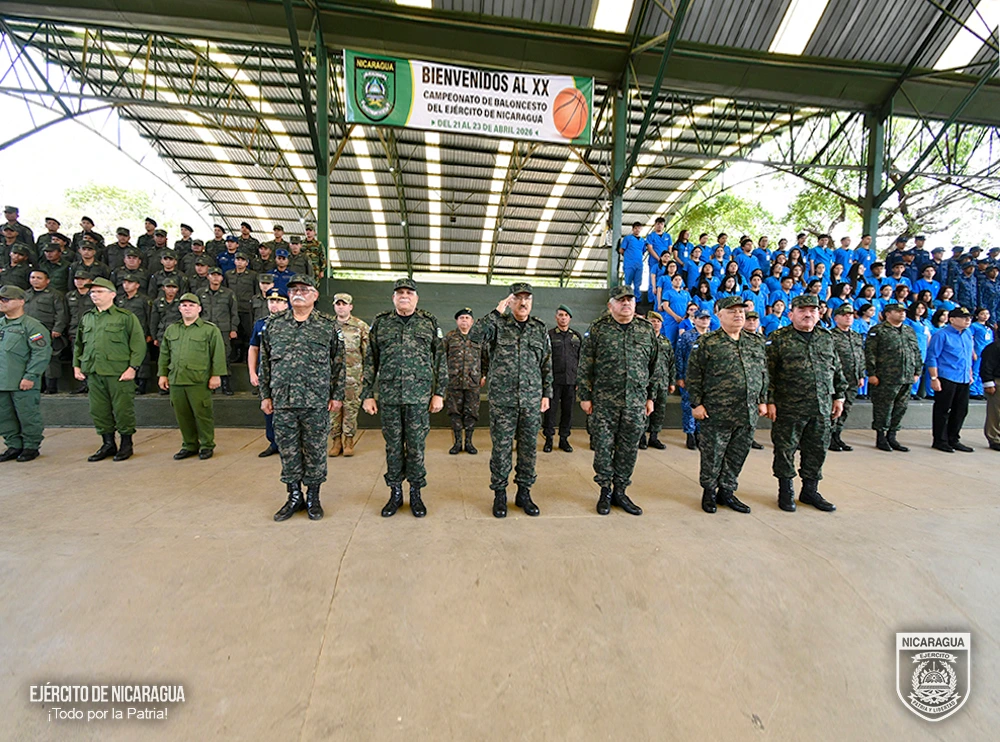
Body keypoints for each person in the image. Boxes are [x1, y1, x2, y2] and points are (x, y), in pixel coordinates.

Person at [259, 274, 345, 521]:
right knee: (288, 450)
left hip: (315, 401)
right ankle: (294, 496)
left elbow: (339, 365)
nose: (299, 293)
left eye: (305, 289)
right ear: (288, 294)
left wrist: (337, 395)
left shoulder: (328, 326)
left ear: (315, 295)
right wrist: (265, 395)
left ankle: (314, 497)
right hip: (283, 401)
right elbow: (265, 365)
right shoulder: (274, 325)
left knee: (316, 450)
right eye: (294, 289)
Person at [361, 278, 447, 518]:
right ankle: (395, 493)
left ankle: (416, 494)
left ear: (416, 298)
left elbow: (440, 360)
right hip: (389, 397)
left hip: (419, 398)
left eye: (409, 292)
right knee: (393, 447)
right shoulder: (381, 324)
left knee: (417, 447)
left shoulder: (428, 323)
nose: (404, 296)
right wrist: (367, 395)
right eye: (399, 293)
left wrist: (439, 392)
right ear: (393, 298)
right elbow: (370, 361)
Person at [577, 285, 660, 516]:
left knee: (628, 449)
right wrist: (585, 396)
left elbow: (653, 367)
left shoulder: (645, 330)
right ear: (610, 305)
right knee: (603, 448)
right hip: (604, 402)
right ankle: (605, 490)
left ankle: (620, 491)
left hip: (635, 403)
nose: (626, 304)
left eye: (630, 300)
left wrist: (650, 397)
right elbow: (585, 365)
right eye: (621, 300)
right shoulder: (598, 329)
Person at [470, 284, 552, 518]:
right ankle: (499, 494)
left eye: (527, 298)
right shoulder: (497, 324)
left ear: (532, 302)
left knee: (528, 449)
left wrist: (547, 393)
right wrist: (496, 312)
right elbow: (475, 336)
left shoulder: (539, 328)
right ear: (510, 301)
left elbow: (546, 363)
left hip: (530, 400)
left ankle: (524, 493)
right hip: (502, 401)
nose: (523, 303)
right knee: (502, 448)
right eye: (518, 298)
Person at [765, 294, 847, 512]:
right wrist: (770, 401)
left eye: (813, 310)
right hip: (789, 407)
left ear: (820, 314)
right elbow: (768, 373)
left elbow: (836, 368)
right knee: (785, 450)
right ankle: (786, 491)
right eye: (802, 310)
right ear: (791, 314)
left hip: (821, 406)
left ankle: (810, 491)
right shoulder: (779, 338)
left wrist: (839, 395)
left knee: (817, 450)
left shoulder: (827, 337)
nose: (808, 314)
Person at [686, 296, 767, 513]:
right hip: (717, 411)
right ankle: (709, 492)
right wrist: (696, 404)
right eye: (732, 311)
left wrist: (762, 399)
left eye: (741, 311)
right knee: (713, 455)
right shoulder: (707, 342)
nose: (739, 314)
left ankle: (727, 492)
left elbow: (763, 373)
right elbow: (694, 375)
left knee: (737, 454)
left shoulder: (755, 341)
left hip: (747, 410)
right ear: (719, 315)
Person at [72, 277, 147, 462]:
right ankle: (107, 443)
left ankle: (126, 444)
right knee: (99, 410)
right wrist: (76, 365)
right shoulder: (87, 317)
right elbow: (79, 344)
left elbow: (138, 344)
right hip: (94, 371)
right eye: (92, 292)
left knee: (122, 410)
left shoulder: (125, 317)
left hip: (118, 372)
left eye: (99, 291)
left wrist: (132, 367)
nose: (94, 295)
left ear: (112, 294)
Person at [157, 293, 227, 460]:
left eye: (191, 305)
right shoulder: (172, 329)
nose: (187, 308)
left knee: (202, 414)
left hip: (198, 379)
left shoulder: (209, 329)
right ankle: (189, 444)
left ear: (199, 308)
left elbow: (217, 353)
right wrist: (162, 374)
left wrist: (216, 375)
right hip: (176, 379)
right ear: (179, 308)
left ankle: (206, 444)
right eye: (184, 305)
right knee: (182, 415)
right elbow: (165, 354)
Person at [0, 285, 52, 462]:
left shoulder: (31, 326)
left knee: (27, 415)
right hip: (2, 380)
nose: (2, 303)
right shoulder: (1, 325)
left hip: (22, 381)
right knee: (4, 416)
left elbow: (41, 353)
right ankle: (13, 445)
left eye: (6, 300)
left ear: (21, 301)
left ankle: (31, 446)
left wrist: (31, 376)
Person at [865, 302, 923, 452]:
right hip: (886, 377)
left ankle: (892, 435)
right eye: (898, 311)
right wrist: (871, 373)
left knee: (900, 408)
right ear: (888, 313)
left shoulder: (909, 330)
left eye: (903, 311)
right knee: (883, 408)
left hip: (906, 376)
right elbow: (870, 353)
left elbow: (916, 352)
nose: (902, 314)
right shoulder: (878, 330)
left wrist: (917, 371)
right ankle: (881, 436)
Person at [926, 306, 975, 452]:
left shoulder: (967, 334)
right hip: (946, 377)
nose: (968, 320)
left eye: (969, 318)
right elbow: (932, 357)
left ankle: (953, 438)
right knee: (942, 410)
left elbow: (968, 357)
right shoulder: (942, 335)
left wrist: (970, 373)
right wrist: (934, 378)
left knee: (961, 410)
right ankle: (940, 440)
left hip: (964, 377)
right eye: (964, 318)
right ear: (952, 320)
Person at [247, 288, 288, 458]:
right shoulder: (260, 324)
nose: (275, 305)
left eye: (279, 301)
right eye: (272, 301)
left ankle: (289, 444)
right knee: (268, 409)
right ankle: (274, 443)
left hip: (286, 375)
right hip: (267, 374)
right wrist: (252, 372)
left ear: (287, 304)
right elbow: (253, 348)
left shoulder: (294, 323)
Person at [328, 292, 369, 457]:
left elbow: (367, 353)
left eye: (344, 304)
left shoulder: (360, 326)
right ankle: (336, 441)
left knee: (351, 409)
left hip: (353, 376)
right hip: (333, 377)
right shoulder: (327, 326)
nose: (341, 307)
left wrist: (365, 375)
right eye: (338, 304)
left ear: (350, 306)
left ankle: (348, 440)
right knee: (333, 410)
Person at [443, 307, 486, 456]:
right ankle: (457, 443)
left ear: (472, 321)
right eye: (461, 318)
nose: (464, 320)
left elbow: (485, 358)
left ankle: (468, 442)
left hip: (473, 382)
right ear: (457, 321)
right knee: (454, 413)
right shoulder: (449, 337)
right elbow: (442, 358)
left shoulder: (478, 338)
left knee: (471, 413)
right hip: (454, 381)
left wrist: (484, 375)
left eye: (467, 318)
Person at [24, 268, 68, 394]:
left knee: (50, 359)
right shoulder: (26, 294)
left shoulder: (55, 295)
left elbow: (61, 313)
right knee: (32, 358)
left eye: (39, 278)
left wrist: (58, 329)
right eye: (33, 278)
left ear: (47, 281)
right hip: (29, 331)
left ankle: (51, 386)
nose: (35, 280)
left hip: (48, 331)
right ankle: (38, 384)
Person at [543, 304, 581, 453]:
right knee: (550, 411)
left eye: (566, 315)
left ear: (570, 318)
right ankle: (549, 439)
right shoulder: (549, 335)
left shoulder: (576, 336)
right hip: (553, 380)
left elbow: (581, 359)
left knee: (568, 411)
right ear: (556, 317)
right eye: (560, 315)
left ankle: (564, 439)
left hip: (571, 380)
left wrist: (579, 380)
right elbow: (544, 358)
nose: (563, 318)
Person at [829, 304, 866, 452]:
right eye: (844, 315)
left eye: (850, 314)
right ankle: (829, 436)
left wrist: (861, 374)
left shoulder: (856, 336)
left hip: (852, 379)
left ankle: (837, 435)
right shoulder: (830, 336)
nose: (848, 317)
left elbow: (860, 357)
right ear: (836, 318)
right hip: (837, 379)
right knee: (834, 409)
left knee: (846, 408)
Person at [197, 268, 239, 395]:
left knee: (224, 355)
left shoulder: (228, 293)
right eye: (212, 275)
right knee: (205, 356)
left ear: (222, 278)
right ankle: (208, 385)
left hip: (223, 330)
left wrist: (233, 329)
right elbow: (196, 312)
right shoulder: (200, 293)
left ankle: (225, 384)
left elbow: (234, 312)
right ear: (208, 277)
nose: (215, 278)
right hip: (205, 329)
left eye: (218, 275)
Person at [676, 309, 712, 449]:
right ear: (695, 320)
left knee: (704, 406)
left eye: (707, 318)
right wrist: (679, 377)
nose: (704, 321)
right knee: (689, 406)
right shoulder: (687, 336)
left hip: (708, 379)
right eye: (701, 318)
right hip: (689, 377)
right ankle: (690, 434)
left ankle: (700, 434)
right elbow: (679, 356)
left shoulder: (712, 337)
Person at [640, 312, 676, 450]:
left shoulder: (666, 342)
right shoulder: (643, 340)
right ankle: (641, 437)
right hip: (646, 382)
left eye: (658, 321)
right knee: (644, 410)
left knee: (659, 411)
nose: (656, 324)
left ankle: (654, 437)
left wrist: (671, 381)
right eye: (653, 321)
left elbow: (671, 363)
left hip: (662, 382)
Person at [114, 274, 154, 395]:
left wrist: (149, 334)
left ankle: (141, 384)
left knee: (142, 358)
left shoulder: (144, 300)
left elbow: (149, 317)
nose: (126, 285)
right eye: (125, 282)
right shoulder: (120, 300)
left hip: (140, 333)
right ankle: (129, 382)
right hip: (123, 334)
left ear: (137, 285)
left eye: (130, 283)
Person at [980, 332, 1000, 450]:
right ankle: (994, 438)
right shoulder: (994, 347)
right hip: (997, 381)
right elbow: (986, 366)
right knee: (995, 412)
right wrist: (988, 382)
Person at [618, 222, 648, 298]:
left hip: (639, 264)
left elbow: (643, 251)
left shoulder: (643, 241)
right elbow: (621, 250)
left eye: (639, 228)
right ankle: (627, 297)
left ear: (641, 229)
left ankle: (637, 299)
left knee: (638, 283)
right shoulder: (628, 238)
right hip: (629, 264)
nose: (637, 230)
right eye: (635, 228)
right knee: (628, 282)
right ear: (632, 229)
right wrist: (628, 256)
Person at [970, 308, 993, 399]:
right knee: (975, 371)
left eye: (987, 314)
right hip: (978, 352)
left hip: (987, 353)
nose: (985, 316)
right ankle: (972, 390)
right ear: (977, 315)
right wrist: (973, 352)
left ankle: (980, 390)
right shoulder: (974, 326)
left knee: (982, 372)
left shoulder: (988, 327)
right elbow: (970, 339)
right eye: (982, 314)